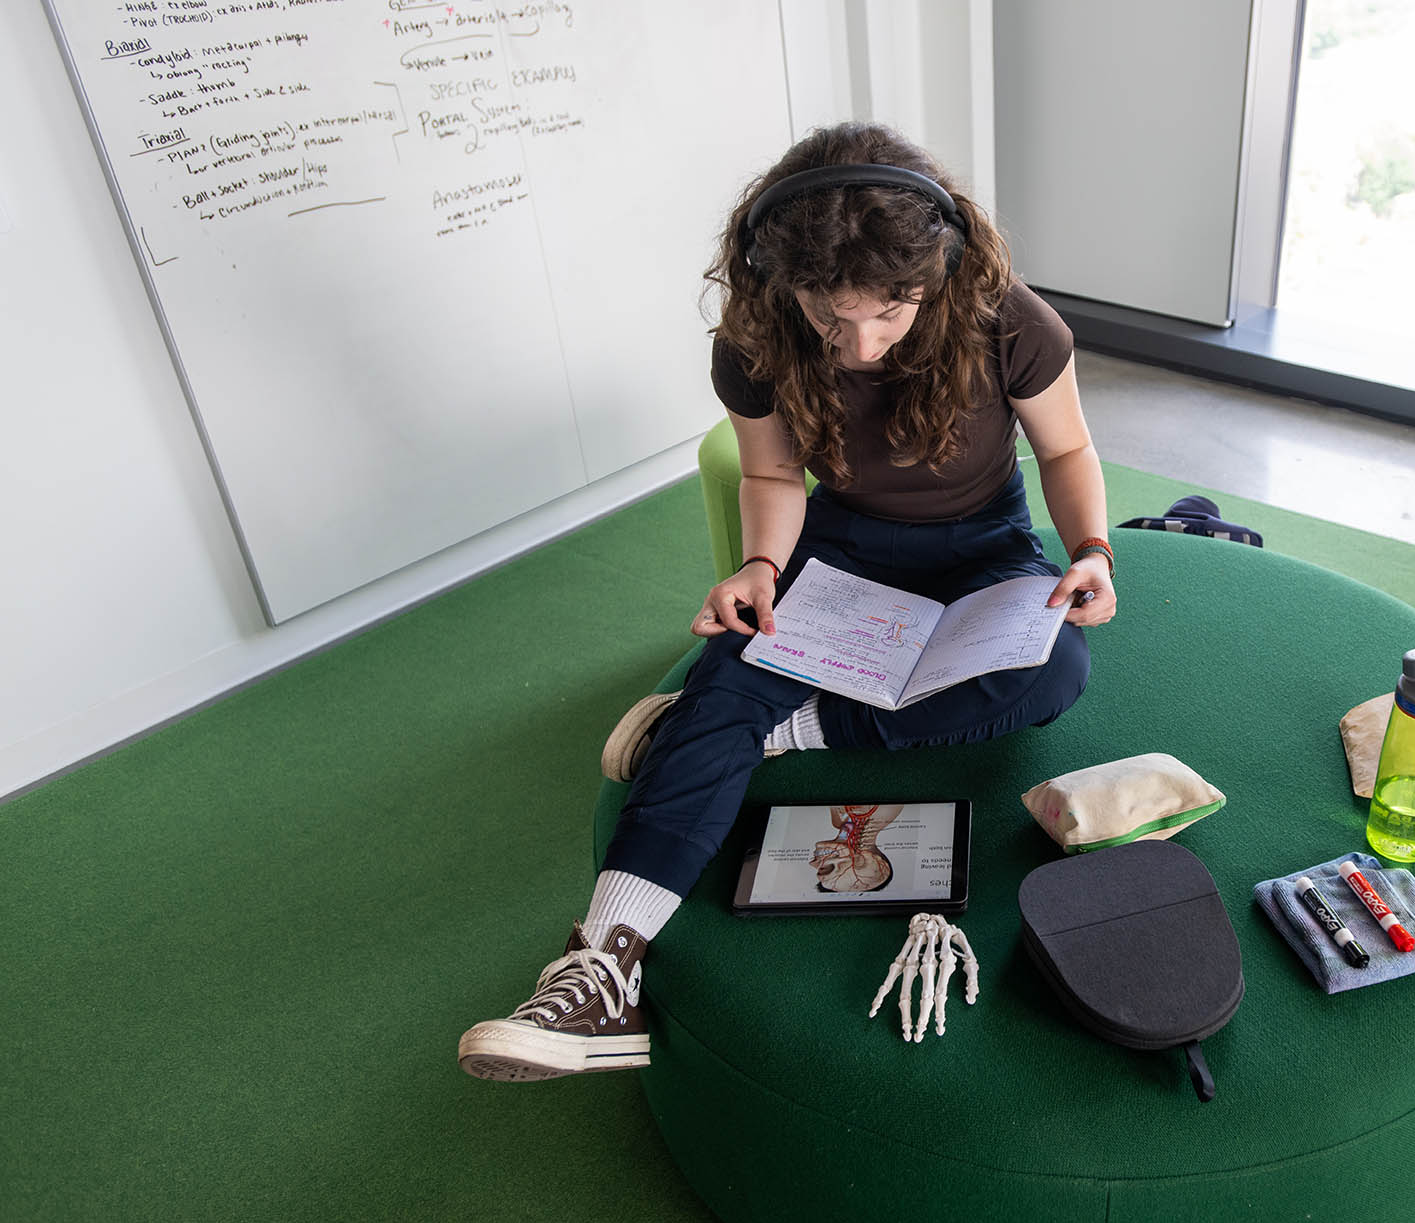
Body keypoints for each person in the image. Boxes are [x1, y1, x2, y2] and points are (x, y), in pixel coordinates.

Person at [457, 122, 1117, 1082]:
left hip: (984, 545)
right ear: (782, 276)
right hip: (840, 543)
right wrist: (762, 567)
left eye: (892, 311)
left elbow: (1065, 451)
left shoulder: (1009, 316)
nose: (860, 343)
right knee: (731, 670)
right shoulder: (756, 334)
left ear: (942, 263)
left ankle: (747, 733)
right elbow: (769, 475)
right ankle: (603, 967)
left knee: (1055, 668)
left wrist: (1092, 550)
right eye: (830, 314)